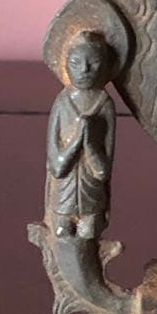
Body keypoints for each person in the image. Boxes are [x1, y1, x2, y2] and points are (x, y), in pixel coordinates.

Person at [44, 30, 116, 239]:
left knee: (89, 233)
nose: (84, 70)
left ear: (105, 65)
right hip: (63, 196)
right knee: (61, 233)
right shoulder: (63, 103)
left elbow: (102, 171)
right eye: (76, 63)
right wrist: (77, 139)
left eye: (93, 62)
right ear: (65, 63)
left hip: (92, 195)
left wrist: (90, 143)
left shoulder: (104, 104)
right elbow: (57, 166)